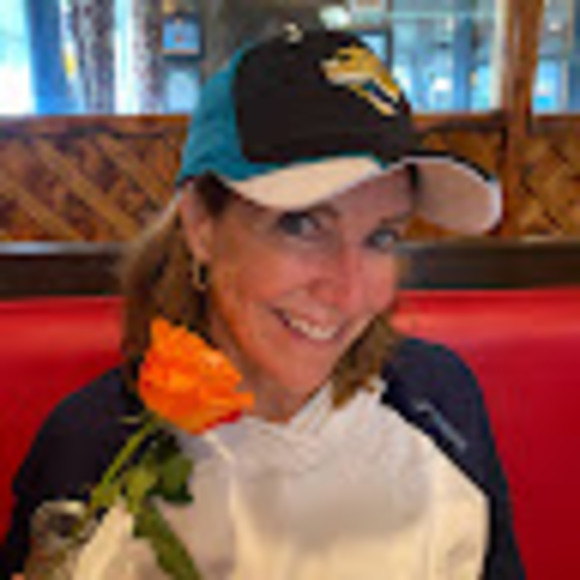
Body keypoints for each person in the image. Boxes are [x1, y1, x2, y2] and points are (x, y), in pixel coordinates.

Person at [1, 27, 523, 579]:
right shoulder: (92, 446)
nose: (349, 293)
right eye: (301, 225)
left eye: (381, 236)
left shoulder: (440, 403)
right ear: (201, 224)